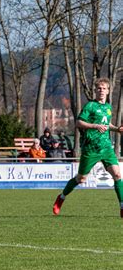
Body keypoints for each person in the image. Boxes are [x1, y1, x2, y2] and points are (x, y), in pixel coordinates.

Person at [53, 78, 123, 218]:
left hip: (106, 147)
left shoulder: (108, 108)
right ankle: (61, 197)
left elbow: (106, 125)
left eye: (104, 88)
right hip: (91, 148)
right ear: (95, 91)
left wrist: (116, 129)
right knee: (81, 179)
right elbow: (79, 123)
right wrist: (94, 126)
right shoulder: (90, 106)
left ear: (108, 91)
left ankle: (122, 206)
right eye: (99, 88)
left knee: (117, 175)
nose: (101, 91)